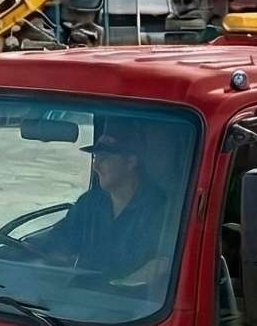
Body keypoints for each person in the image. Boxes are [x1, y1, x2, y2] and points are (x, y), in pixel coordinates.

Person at [36, 120, 165, 281]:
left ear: (131, 162)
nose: (95, 166)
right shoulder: (90, 203)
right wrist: (57, 255)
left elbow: (161, 265)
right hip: (81, 294)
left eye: (104, 158)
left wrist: (119, 286)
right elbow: (60, 239)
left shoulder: (160, 209)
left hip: (129, 297)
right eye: (95, 157)